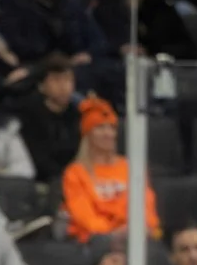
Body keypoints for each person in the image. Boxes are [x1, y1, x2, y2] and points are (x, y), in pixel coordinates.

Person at [62, 98, 159, 244]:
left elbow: (146, 204)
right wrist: (114, 233)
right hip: (95, 243)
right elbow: (84, 216)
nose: (108, 133)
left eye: (111, 128)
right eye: (100, 127)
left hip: (135, 238)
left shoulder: (131, 167)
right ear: (88, 134)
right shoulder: (75, 173)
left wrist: (138, 228)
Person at [13, 59, 85, 189]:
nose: (64, 86)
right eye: (56, 80)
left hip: (75, 180)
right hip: (42, 183)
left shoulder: (77, 114)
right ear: (42, 86)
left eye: (68, 80)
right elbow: (39, 159)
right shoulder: (29, 115)